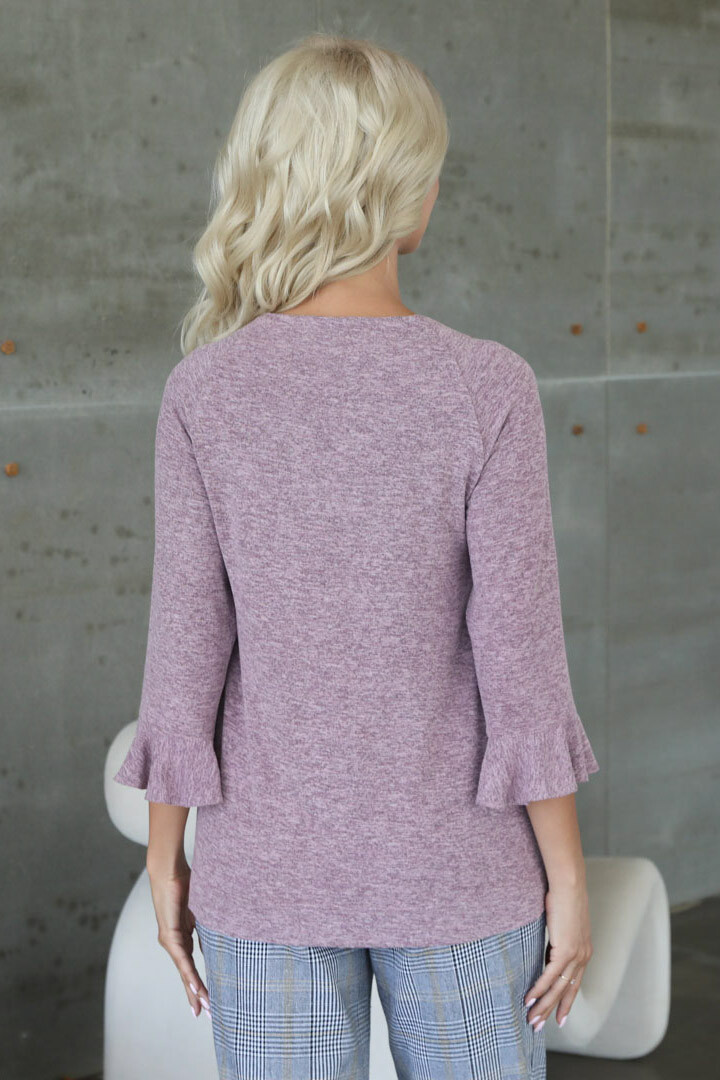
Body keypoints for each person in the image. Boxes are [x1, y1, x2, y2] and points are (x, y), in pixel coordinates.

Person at [113, 31, 600, 1080]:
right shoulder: (487, 387)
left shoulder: (205, 392)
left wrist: (166, 860)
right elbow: (522, 663)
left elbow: (184, 653)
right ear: (405, 194)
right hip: (462, 876)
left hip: (266, 877)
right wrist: (568, 878)